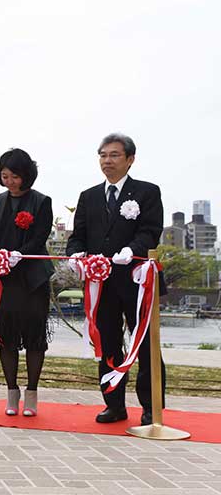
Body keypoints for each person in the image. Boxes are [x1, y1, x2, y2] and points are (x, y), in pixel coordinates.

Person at [66, 133, 165, 425]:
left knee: (145, 345)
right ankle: (114, 404)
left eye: (114, 155)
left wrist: (131, 250)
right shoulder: (89, 196)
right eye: (103, 155)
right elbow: (78, 235)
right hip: (102, 282)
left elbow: (150, 231)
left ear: (130, 159)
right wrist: (74, 255)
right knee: (108, 343)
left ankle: (151, 407)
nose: (107, 161)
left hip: (137, 280)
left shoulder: (147, 192)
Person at [0, 148, 53, 417]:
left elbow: (40, 236)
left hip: (32, 277)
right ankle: (12, 392)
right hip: (3, 278)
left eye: (15, 176)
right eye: (5, 175)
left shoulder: (42, 201)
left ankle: (32, 392)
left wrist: (20, 255)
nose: (9, 181)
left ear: (26, 176)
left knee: (34, 335)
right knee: (5, 335)